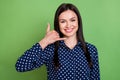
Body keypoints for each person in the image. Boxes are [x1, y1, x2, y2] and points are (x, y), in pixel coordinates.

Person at [15, 3, 100, 80]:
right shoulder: (50, 49)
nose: (68, 25)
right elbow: (20, 66)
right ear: (58, 24)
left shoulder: (91, 49)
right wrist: (45, 41)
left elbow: (95, 78)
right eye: (63, 21)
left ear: (78, 22)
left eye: (72, 20)